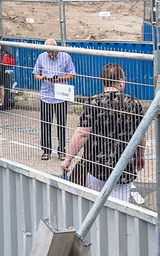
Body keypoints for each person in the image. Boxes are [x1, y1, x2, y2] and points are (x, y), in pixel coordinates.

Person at [61, 62, 145, 202]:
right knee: (120, 209)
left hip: (96, 168)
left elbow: (82, 134)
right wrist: (140, 156)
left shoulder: (93, 102)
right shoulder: (134, 104)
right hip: (124, 169)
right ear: (121, 82)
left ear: (103, 81)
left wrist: (68, 159)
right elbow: (141, 135)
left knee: (95, 206)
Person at [33, 39, 76, 161]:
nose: (51, 54)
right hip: (46, 95)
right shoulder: (41, 57)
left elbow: (72, 74)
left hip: (61, 95)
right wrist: (42, 77)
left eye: (52, 51)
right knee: (45, 123)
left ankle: (61, 150)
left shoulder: (65, 56)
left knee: (61, 123)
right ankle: (46, 150)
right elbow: (35, 74)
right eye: (48, 51)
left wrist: (60, 79)